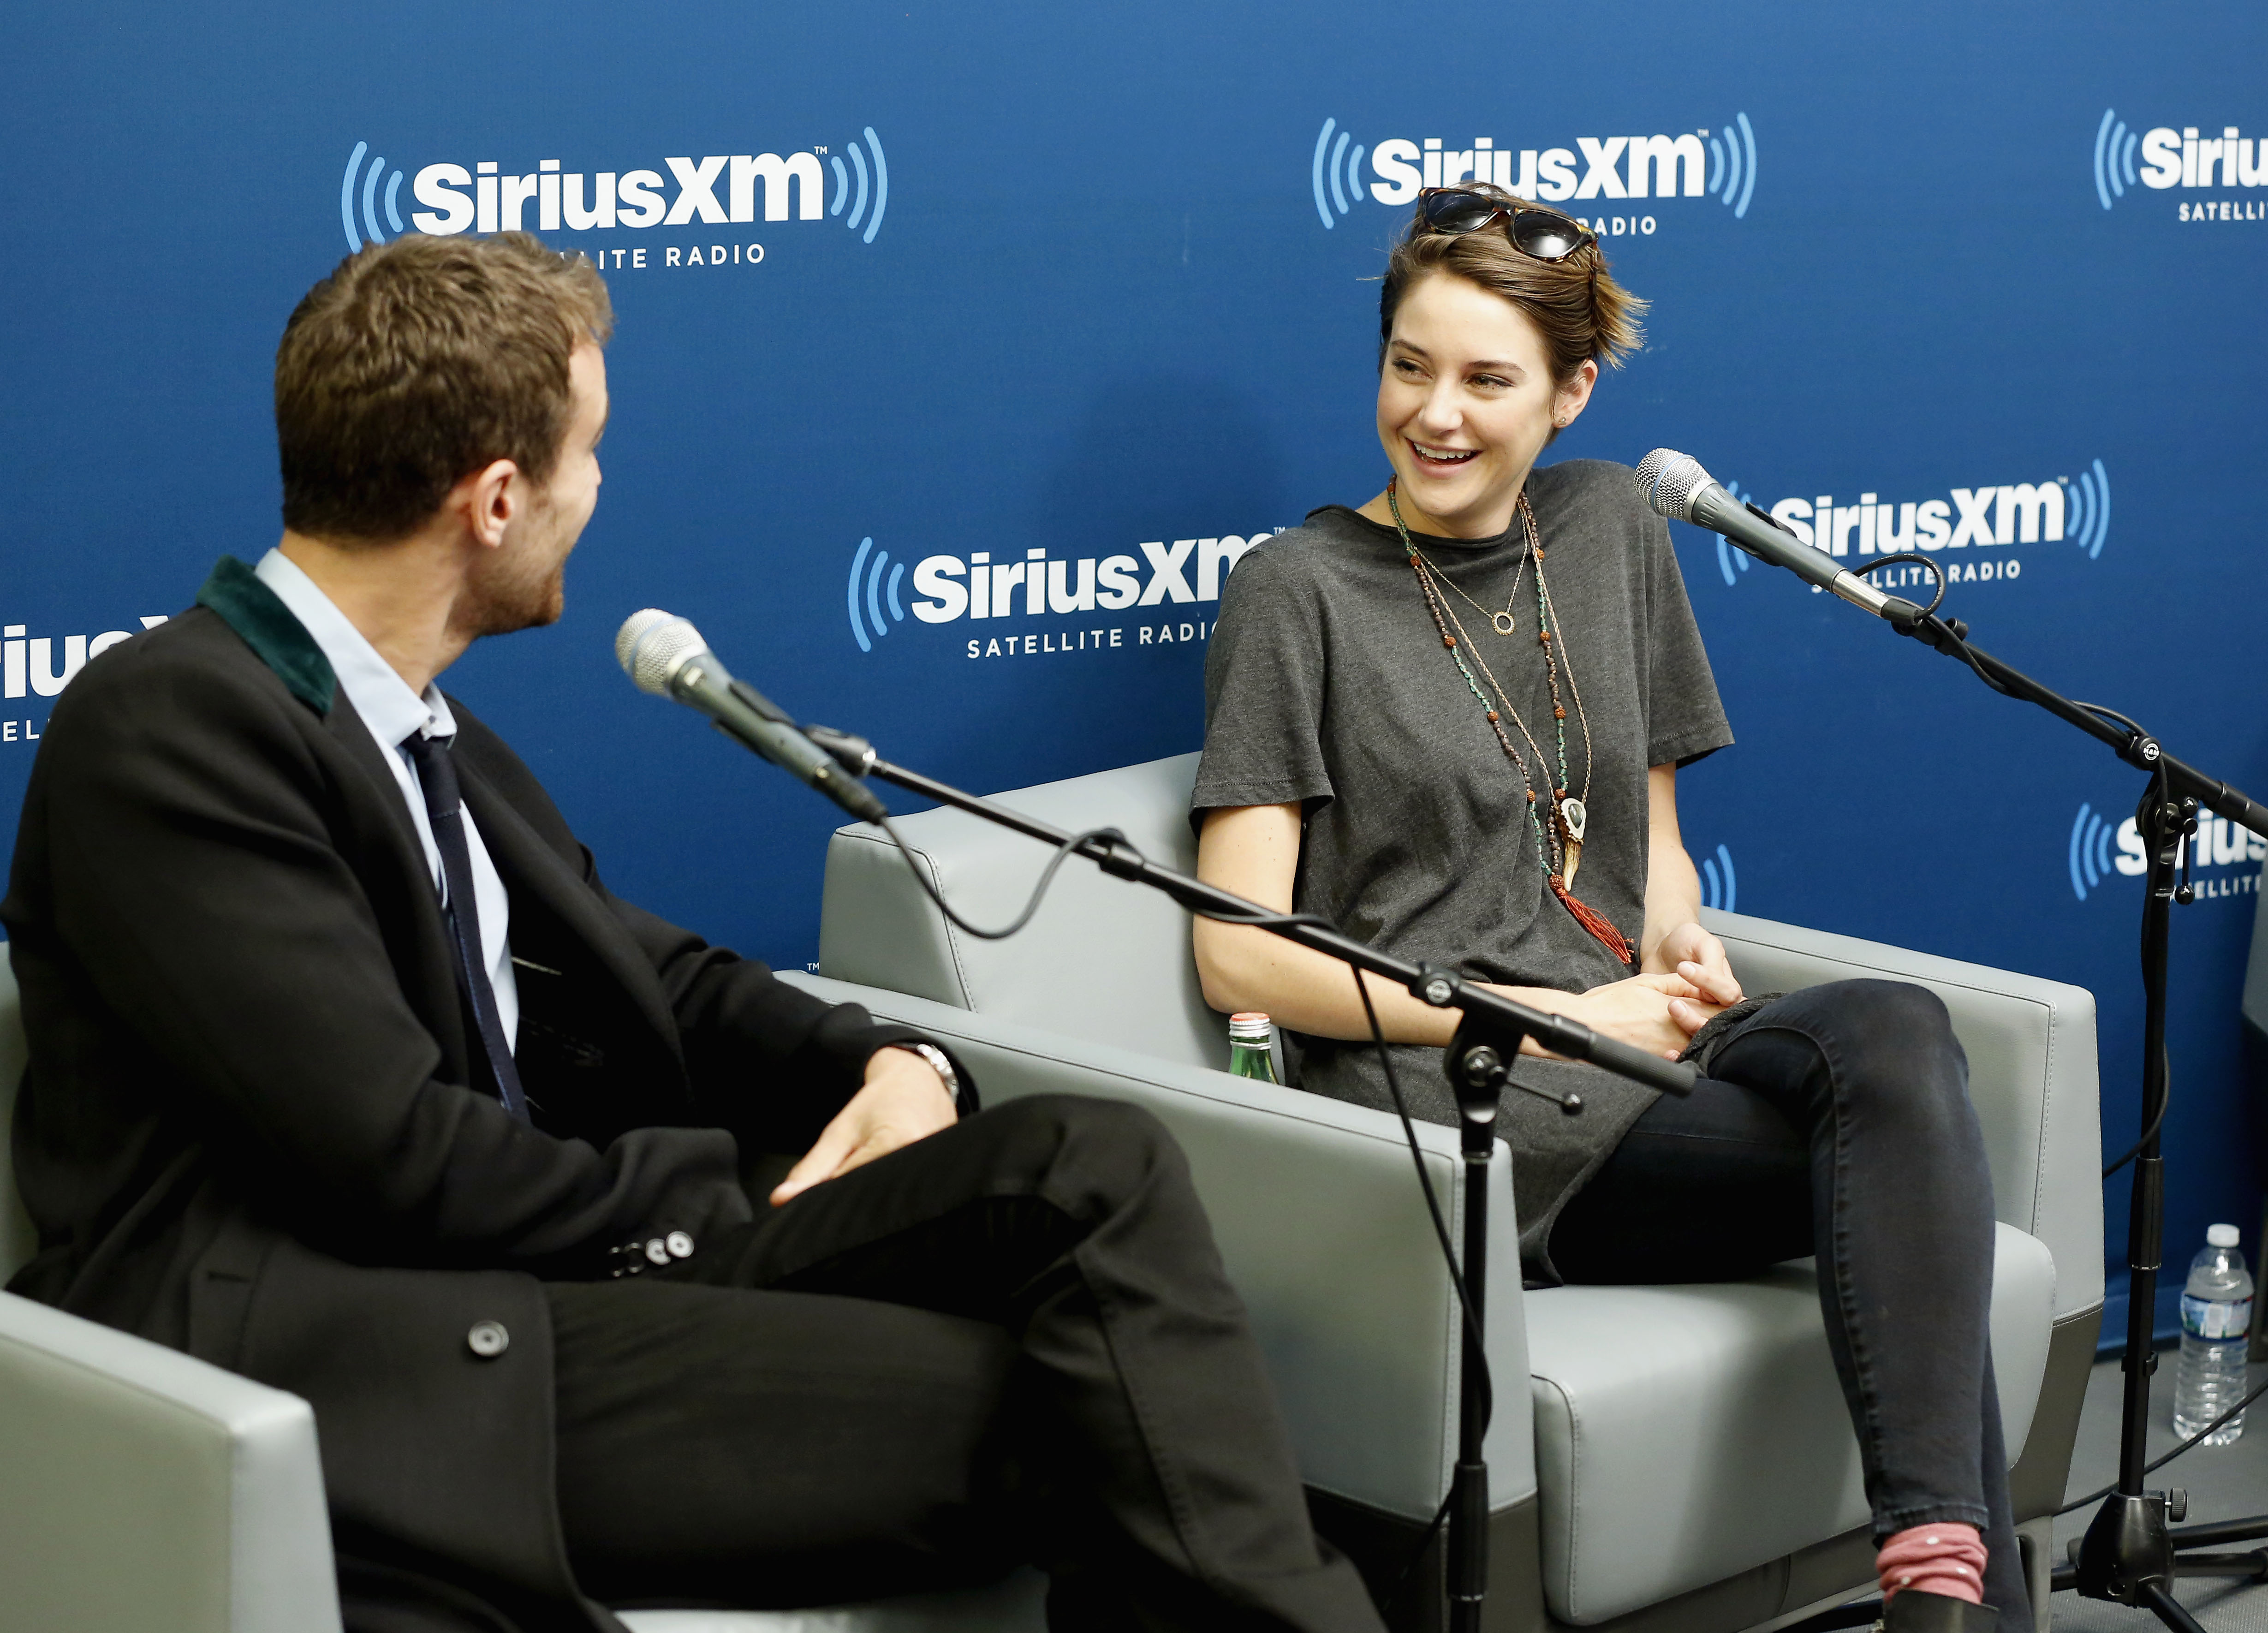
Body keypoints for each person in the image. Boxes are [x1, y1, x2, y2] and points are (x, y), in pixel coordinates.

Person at [2, 232, 1382, 1633]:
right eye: (589, 453)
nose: (599, 489)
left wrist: (888, 1061)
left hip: (533, 1258)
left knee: (1093, 1163)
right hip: (382, 1340)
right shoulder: (175, 724)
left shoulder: (417, 723)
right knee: (1080, 1406)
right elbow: (393, 1156)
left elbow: (654, 970)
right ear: (496, 500)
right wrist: (717, 1200)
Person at [1189, 184, 2020, 1633]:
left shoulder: (1614, 523)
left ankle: (1938, 1595)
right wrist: (1553, 1019)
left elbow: (1655, 844)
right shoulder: (1296, 591)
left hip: (1646, 1041)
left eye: (1486, 380)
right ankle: (1970, 1611)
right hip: (1472, 1097)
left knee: (1896, 1031)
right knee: (1905, 1164)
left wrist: (1681, 936)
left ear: (1570, 392)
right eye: (1408, 366)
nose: (1435, 414)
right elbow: (1238, 954)